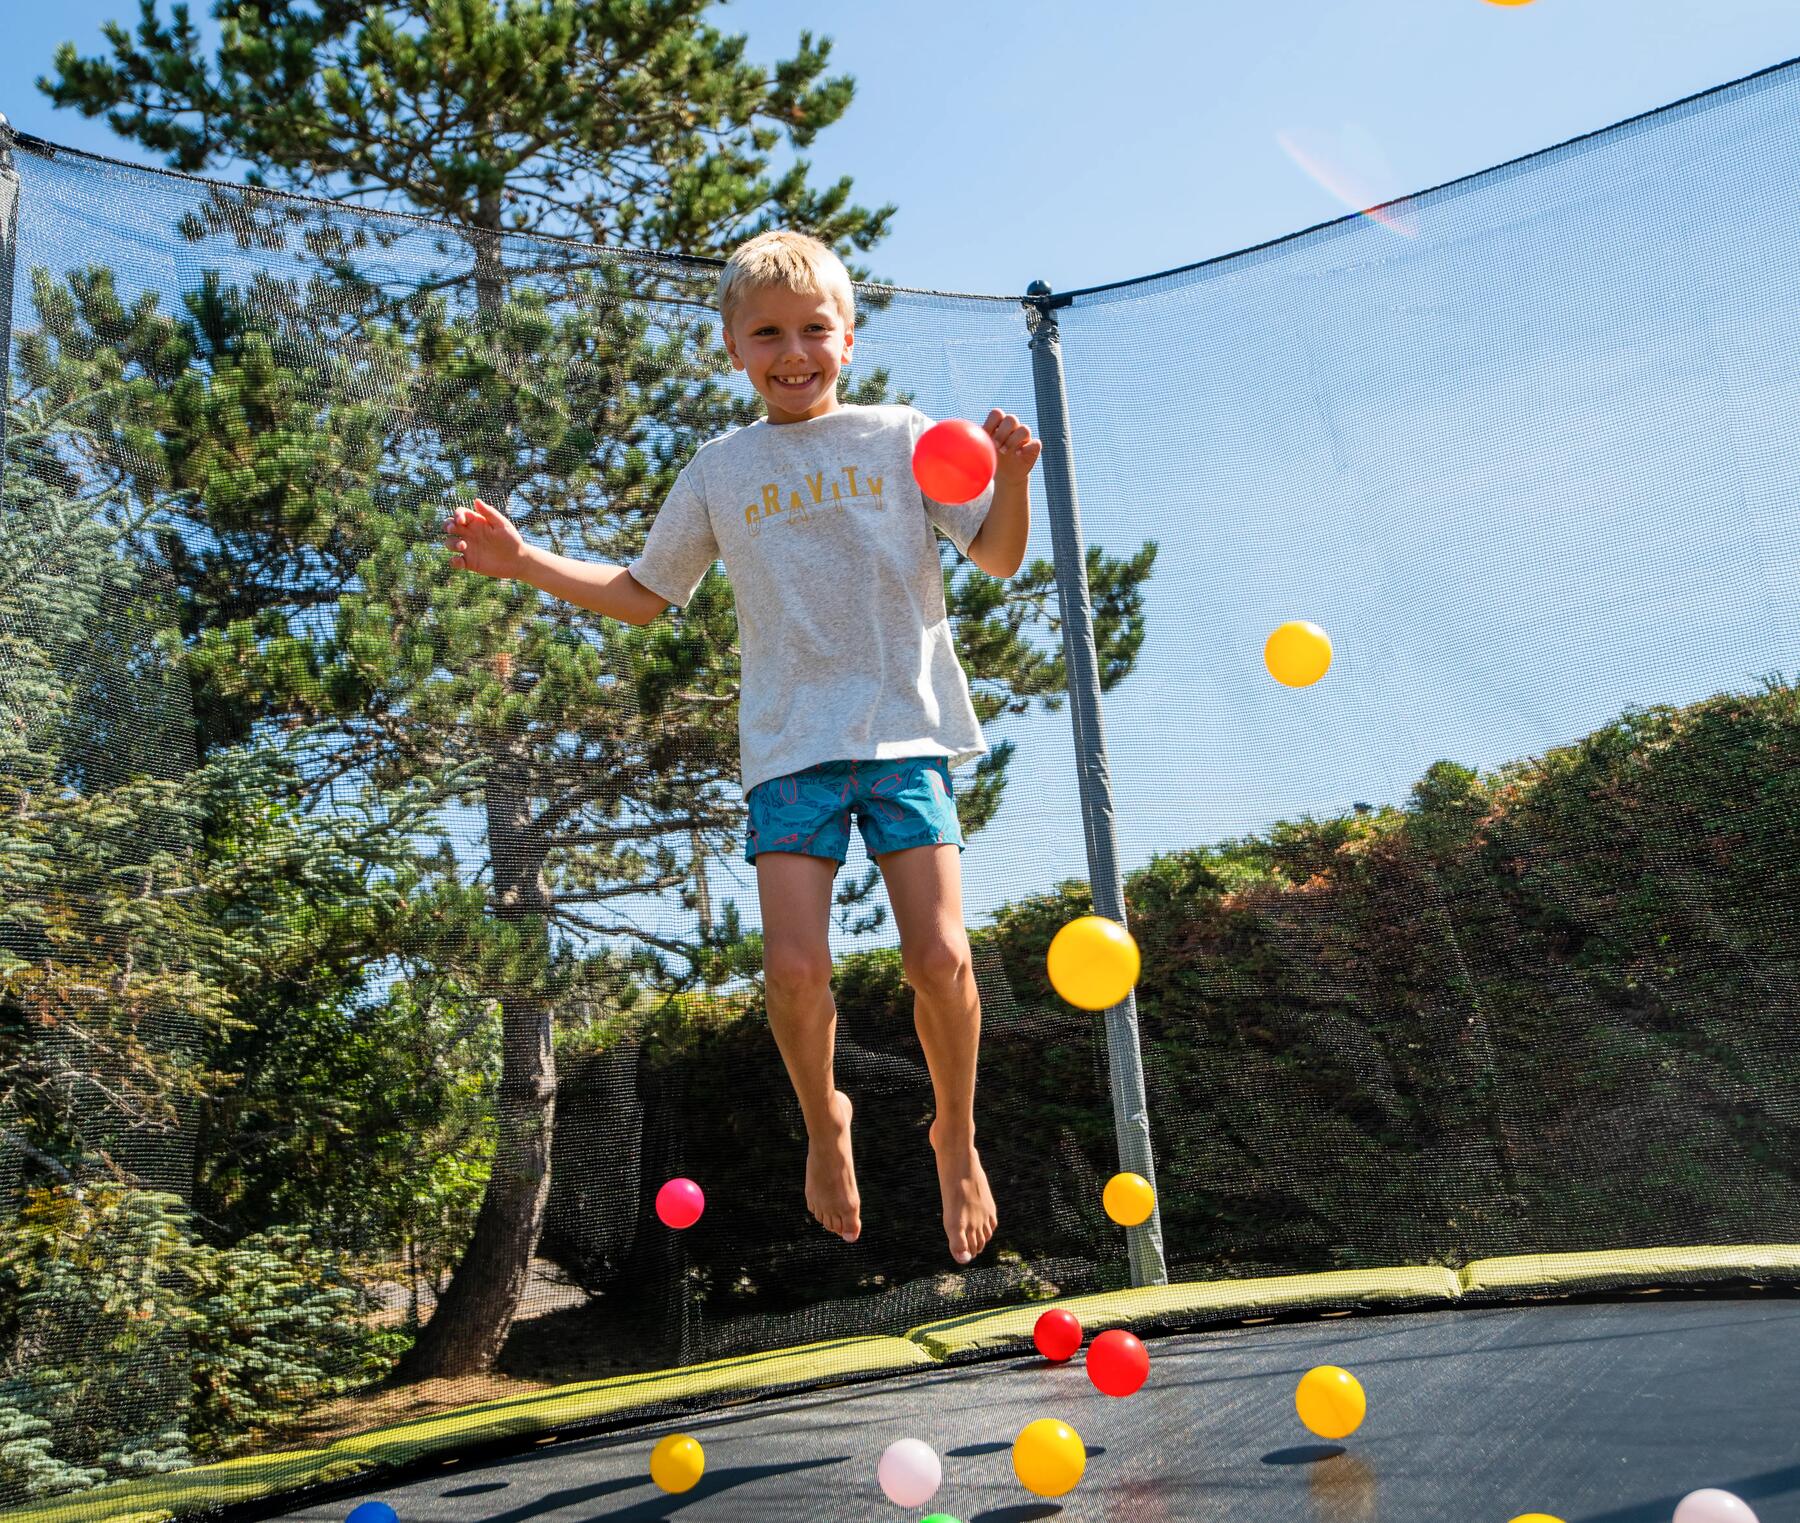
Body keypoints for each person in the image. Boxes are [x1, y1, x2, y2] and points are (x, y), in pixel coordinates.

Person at [444, 229, 1039, 1265]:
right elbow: (641, 596)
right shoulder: (721, 470)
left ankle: (956, 1132)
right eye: (767, 333)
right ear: (732, 348)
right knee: (796, 972)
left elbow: (994, 554)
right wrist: (523, 558)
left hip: (903, 734)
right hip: (789, 749)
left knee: (939, 957)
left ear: (847, 338)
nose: (793, 350)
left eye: (814, 329)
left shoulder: (903, 436)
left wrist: (1018, 477)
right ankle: (827, 1121)